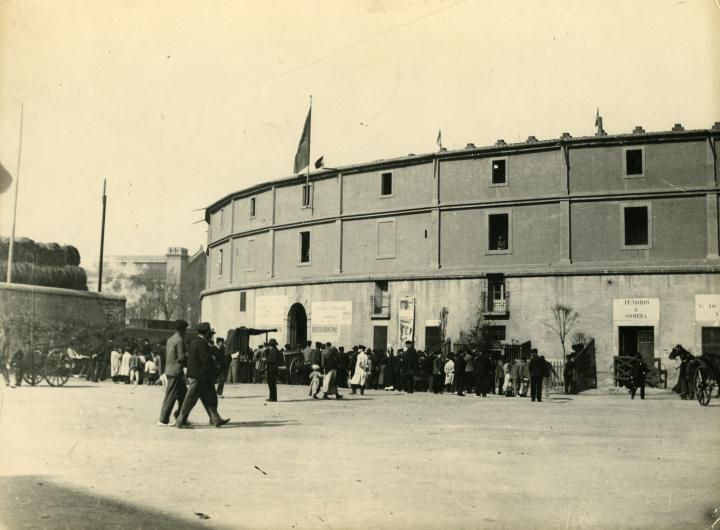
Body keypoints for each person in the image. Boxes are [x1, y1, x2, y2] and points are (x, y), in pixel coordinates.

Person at [176, 322, 230, 428]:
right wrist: (215, 364)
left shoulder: (194, 342)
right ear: (207, 333)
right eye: (210, 333)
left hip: (200, 376)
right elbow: (205, 359)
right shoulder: (202, 343)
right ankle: (180, 419)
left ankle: (215, 419)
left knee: (210, 398)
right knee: (190, 399)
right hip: (199, 376)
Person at [158, 319, 189, 426]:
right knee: (171, 395)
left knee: (183, 394)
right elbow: (181, 357)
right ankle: (163, 419)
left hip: (169, 369)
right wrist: (187, 356)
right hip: (176, 371)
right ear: (183, 329)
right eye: (186, 329)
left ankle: (180, 417)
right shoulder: (180, 340)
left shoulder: (170, 339)